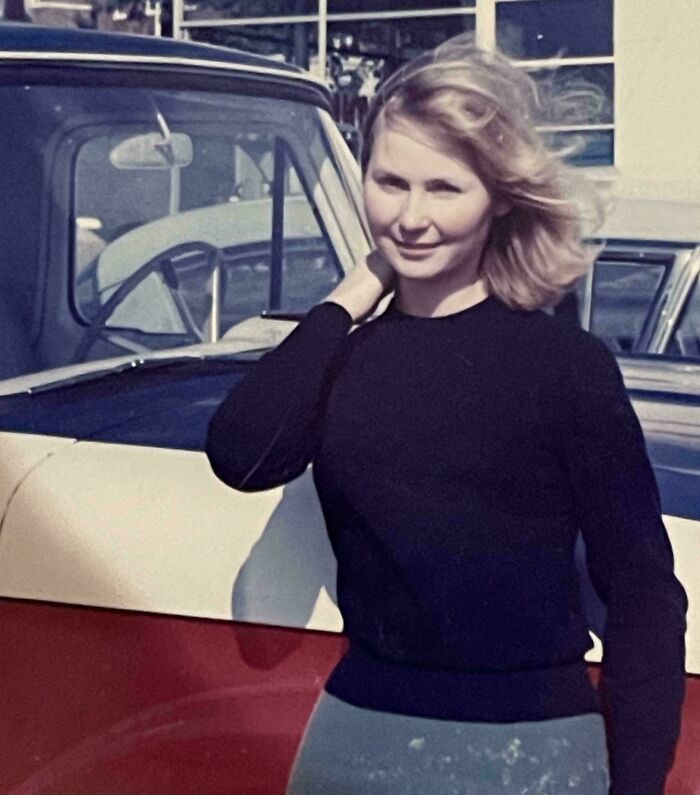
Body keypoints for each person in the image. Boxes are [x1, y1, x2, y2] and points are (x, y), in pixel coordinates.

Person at [206, 35, 687, 795]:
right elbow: (241, 454)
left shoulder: (566, 366)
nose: (410, 217)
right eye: (389, 182)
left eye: (443, 188)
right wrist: (352, 294)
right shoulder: (341, 357)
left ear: (499, 197)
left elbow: (644, 597)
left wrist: (635, 785)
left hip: (533, 753)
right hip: (358, 739)